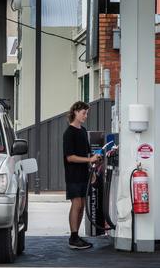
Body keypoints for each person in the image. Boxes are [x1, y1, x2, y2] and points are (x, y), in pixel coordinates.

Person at [63, 101, 101, 250]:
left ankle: (76, 236)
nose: (85, 116)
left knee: (82, 205)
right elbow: (70, 157)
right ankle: (73, 237)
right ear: (76, 112)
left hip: (84, 174)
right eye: (83, 113)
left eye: (87, 113)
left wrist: (92, 169)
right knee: (76, 204)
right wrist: (89, 160)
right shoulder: (69, 133)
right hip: (72, 174)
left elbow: (87, 153)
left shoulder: (83, 131)